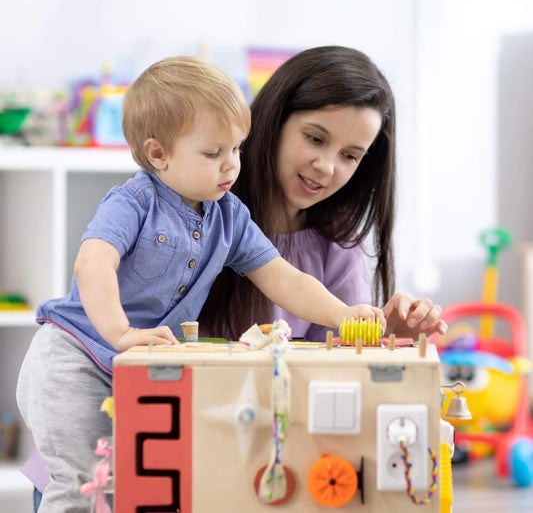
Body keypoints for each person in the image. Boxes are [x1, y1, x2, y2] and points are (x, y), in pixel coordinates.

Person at [16, 56, 385, 512]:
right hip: (76, 357)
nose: (231, 166)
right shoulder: (133, 202)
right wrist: (121, 334)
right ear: (158, 155)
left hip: (132, 371)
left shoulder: (230, 215)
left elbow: (283, 278)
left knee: (132, 488)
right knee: (83, 486)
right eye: (214, 154)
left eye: (237, 150)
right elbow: (92, 265)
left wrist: (342, 315)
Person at [199, 45, 448, 341]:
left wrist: (386, 334)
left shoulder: (336, 245)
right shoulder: (199, 214)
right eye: (315, 138)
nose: (326, 167)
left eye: (350, 156)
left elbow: (334, 362)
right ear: (274, 120)